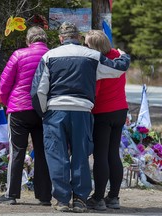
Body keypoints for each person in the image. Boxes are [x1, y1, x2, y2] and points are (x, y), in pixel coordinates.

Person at [31, 22, 130, 213]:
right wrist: (124, 55)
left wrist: (45, 113)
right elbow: (118, 68)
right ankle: (80, 200)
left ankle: (62, 200)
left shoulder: (48, 56)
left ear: (60, 38)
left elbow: (38, 90)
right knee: (81, 156)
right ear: (78, 38)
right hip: (82, 111)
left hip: (55, 111)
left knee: (57, 156)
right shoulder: (92, 55)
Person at [0, 26, 52, 205]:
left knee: (17, 151)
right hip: (43, 109)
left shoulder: (19, 54)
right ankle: (44, 196)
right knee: (42, 153)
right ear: (44, 40)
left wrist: (8, 102)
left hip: (19, 109)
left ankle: (11, 195)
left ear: (28, 41)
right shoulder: (52, 55)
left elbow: (5, 83)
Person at [84, 30, 128, 211]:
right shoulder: (118, 56)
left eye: (87, 44)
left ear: (94, 46)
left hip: (102, 112)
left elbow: (95, 90)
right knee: (113, 154)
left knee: (100, 155)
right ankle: (114, 197)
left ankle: (98, 198)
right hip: (120, 110)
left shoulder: (98, 62)